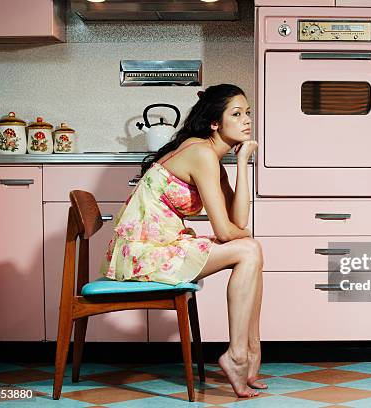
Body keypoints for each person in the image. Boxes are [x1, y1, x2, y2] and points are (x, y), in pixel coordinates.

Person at [100, 84, 264, 397]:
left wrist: (242, 163)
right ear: (215, 122)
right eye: (237, 114)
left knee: (251, 249)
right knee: (249, 249)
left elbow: (237, 222)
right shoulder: (202, 153)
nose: (246, 120)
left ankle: (248, 352)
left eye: (247, 114)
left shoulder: (209, 156)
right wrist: (244, 236)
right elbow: (228, 230)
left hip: (160, 245)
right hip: (143, 253)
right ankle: (240, 355)